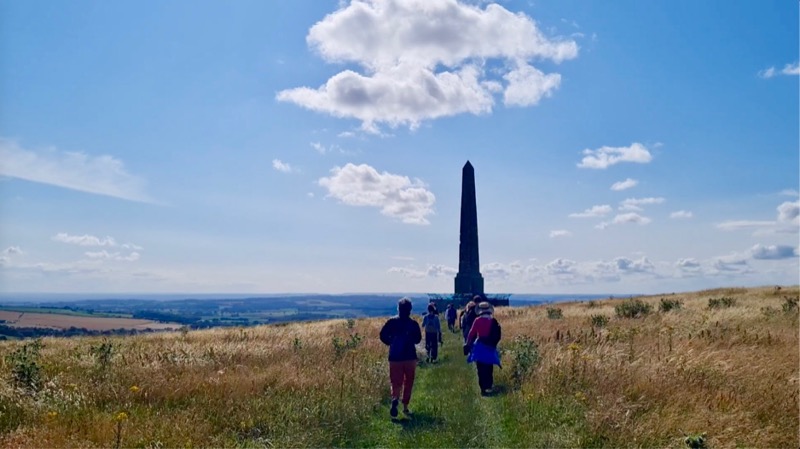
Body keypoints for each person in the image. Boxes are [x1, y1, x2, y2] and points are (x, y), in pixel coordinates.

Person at [379, 297, 422, 418]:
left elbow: (382, 335)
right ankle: (405, 407)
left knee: (395, 381)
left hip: (394, 356)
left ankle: (395, 398)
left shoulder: (391, 322)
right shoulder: (413, 324)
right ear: (410, 310)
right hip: (410, 357)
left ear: (398, 309)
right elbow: (418, 340)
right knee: (408, 381)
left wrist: (390, 342)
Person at [465, 301, 502, 396]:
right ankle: (488, 386)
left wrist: (468, 343)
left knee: (480, 368)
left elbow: (472, 333)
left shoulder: (477, 320)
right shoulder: (493, 321)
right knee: (489, 367)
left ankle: (483, 388)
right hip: (490, 346)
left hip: (480, 346)